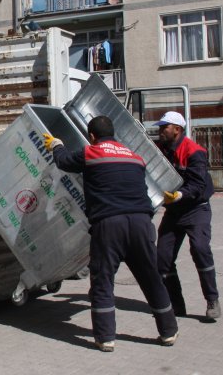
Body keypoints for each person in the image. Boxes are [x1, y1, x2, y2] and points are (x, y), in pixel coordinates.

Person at [44, 116, 178, 352]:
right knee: (151, 278)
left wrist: (56, 145)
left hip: (110, 224)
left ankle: (106, 337)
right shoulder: (134, 157)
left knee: (103, 281)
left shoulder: (91, 152)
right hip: (141, 223)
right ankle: (168, 331)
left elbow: (64, 161)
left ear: (92, 136)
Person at [153, 111, 221, 321]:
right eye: (160, 127)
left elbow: (198, 184)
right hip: (174, 211)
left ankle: (212, 300)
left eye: (164, 127)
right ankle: (176, 304)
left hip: (195, 209)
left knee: (200, 249)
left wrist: (180, 195)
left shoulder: (194, 151)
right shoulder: (160, 148)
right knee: (162, 259)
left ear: (177, 129)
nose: (160, 130)